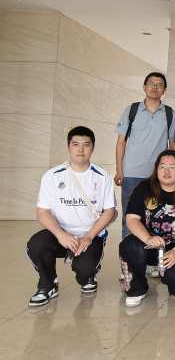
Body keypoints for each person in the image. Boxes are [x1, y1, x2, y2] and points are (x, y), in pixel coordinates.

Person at [26, 126, 116, 306]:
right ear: (68, 147)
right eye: (75, 144)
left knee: (85, 269)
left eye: (86, 145)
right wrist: (61, 235)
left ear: (93, 148)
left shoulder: (102, 176)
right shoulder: (52, 176)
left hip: (89, 235)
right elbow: (42, 212)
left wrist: (89, 236)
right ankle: (48, 283)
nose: (80, 149)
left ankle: (88, 275)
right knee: (36, 245)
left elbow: (110, 211)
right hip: (60, 234)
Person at [119, 150, 175, 307]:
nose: (166, 172)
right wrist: (148, 238)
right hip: (149, 243)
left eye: (172, 167)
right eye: (162, 167)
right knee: (129, 246)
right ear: (156, 169)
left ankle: (171, 275)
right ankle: (137, 289)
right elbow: (132, 219)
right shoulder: (144, 188)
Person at [114, 71, 175, 238]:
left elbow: (173, 148)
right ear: (144, 87)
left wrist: (174, 173)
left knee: (156, 219)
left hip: (158, 177)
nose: (155, 87)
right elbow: (121, 143)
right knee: (129, 219)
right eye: (151, 84)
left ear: (164, 90)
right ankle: (128, 253)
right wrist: (119, 171)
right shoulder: (132, 110)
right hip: (131, 175)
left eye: (159, 85)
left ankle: (152, 252)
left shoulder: (170, 114)